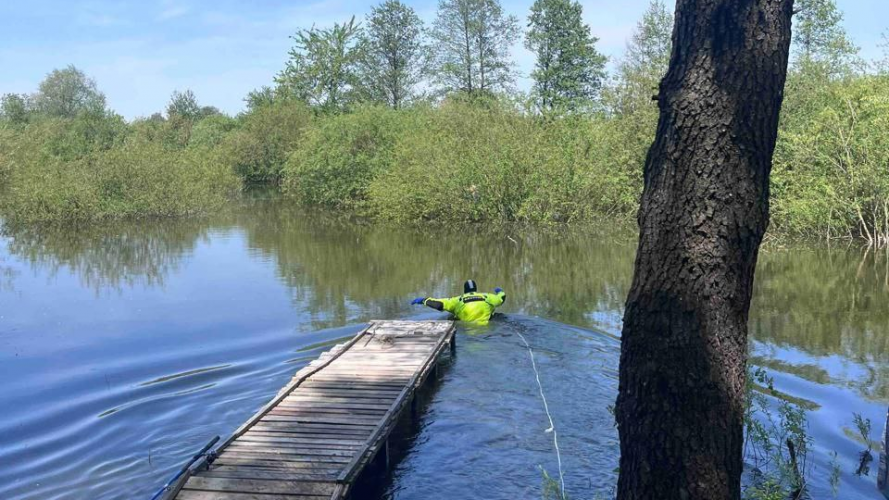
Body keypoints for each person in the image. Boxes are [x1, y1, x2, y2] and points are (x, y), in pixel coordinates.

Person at [411, 279, 505, 325]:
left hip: (466, 329)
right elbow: (501, 299)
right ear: (476, 289)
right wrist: (500, 291)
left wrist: (423, 300)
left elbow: (439, 305)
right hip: (486, 328)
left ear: (465, 290)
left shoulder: (457, 300)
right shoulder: (487, 297)